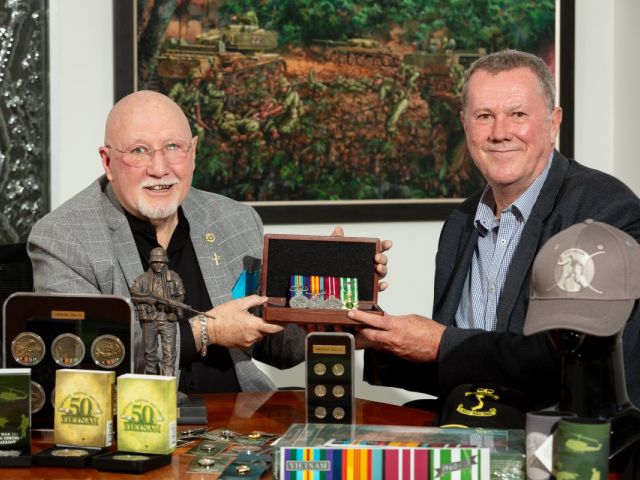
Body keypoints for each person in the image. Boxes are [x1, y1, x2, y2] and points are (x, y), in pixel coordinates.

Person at [28, 90, 390, 393]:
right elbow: (84, 358)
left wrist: (320, 310)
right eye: (139, 150)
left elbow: (277, 348)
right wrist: (208, 331)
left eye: (173, 147)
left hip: (241, 424)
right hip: (131, 426)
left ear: (193, 152)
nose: (160, 167)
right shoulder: (63, 237)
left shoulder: (234, 220)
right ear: (108, 161)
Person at [351, 49, 640, 410]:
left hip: (564, 440)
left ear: (553, 123)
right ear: (465, 125)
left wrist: (441, 342)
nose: (500, 132)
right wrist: (378, 334)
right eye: (484, 116)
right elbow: (465, 366)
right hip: (479, 428)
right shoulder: (461, 222)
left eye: (517, 114)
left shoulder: (604, 213)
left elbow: (572, 365)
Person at [130, 246, 185, 377]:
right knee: (149, 353)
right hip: (149, 318)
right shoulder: (142, 279)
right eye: (156, 262)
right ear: (151, 262)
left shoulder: (173, 277)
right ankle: (152, 383)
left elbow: (181, 295)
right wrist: (148, 300)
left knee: (169, 353)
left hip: (168, 318)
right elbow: (133, 295)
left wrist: (174, 301)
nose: (159, 264)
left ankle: (168, 383)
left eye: (162, 262)